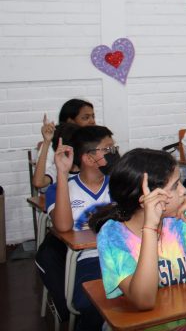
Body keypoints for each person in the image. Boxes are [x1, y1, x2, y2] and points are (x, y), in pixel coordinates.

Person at [89, 148, 186, 330]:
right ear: (147, 199)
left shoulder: (181, 219)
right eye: (175, 185)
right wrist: (150, 227)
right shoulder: (112, 235)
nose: (184, 190)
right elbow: (144, 301)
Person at [36, 125, 115, 330]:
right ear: (88, 158)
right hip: (90, 258)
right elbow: (63, 227)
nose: (114, 154)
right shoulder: (60, 188)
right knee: (93, 303)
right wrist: (62, 174)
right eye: (108, 149)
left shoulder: (119, 183)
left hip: (126, 253)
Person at [32, 99, 97, 189]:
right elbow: (39, 184)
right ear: (70, 121)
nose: (92, 121)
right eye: (86, 118)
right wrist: (46, 142)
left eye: (93, 116)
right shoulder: (59, 166)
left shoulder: (95, 153)